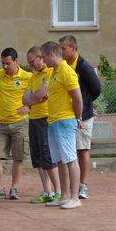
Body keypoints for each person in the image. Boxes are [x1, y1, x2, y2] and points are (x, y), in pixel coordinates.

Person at [28, 41, 84, 209]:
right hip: (52, 121)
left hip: (65, 120)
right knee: (60, 160)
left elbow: (78, 98)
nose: (43, 60)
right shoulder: (53, 73)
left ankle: (75, 197)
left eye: (44, 57)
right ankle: (64, 196)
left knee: (70, 158)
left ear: (51, 55)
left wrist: (79, 118)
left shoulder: (67, 71)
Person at [0, 47, 32, 200]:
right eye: (3, 63)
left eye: (8, 63)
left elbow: (41, 94)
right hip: (1, 124)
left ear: (16, 61)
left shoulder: (28, 77)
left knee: (18, 157)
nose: (5, 66)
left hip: (20, 123)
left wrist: (29, 107)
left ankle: (14, 188)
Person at [59, 35, 101, 199]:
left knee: (82, 149)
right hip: (67, 115)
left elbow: (96, 89)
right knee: (69, 151)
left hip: (83, 116)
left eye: (63, 48)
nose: (61, 51)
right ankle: (71, 186)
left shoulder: (84, 67)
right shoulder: (63, 66)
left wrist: (85, 105)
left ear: (73, 49)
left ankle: (82, 185)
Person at [22, 46, 61, 204]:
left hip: (46, 118)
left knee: (48, 156)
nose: (31, 65)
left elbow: (43, 92)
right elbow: (25, 99)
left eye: (32, 62)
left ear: (40, 57)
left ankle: (58, 191)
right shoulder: (33, 77)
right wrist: (36, 97)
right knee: (37, 157)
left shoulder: (51, 72)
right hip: (33, 118)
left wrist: (36, 96)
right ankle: (47, 191)